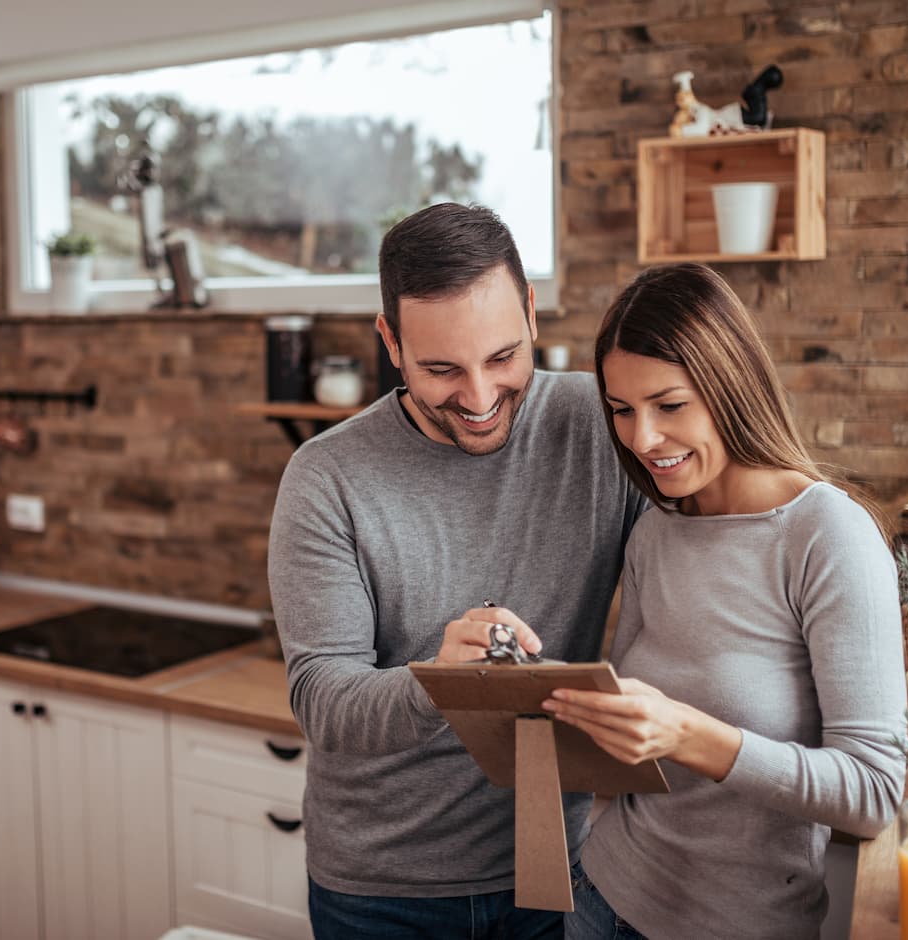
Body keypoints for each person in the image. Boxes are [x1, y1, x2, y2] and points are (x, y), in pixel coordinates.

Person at [268, 203, 648, 937]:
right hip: (380, 889)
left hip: (552, 866)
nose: (478, 398)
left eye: (503, 358)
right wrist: (437, 682)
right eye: (442, 369)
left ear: (532, 312)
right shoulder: (326, 477)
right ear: (390, 341)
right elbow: (322, 698)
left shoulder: (602, 428)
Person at [544, 263, 906, 940]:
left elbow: (873, 794)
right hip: (601, 898)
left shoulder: (826, 536)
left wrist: (694, 736)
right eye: (622, 410)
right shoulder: (658, 528)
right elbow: (637, 748)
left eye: (669, 405)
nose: (642, 438)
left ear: (729, 383)